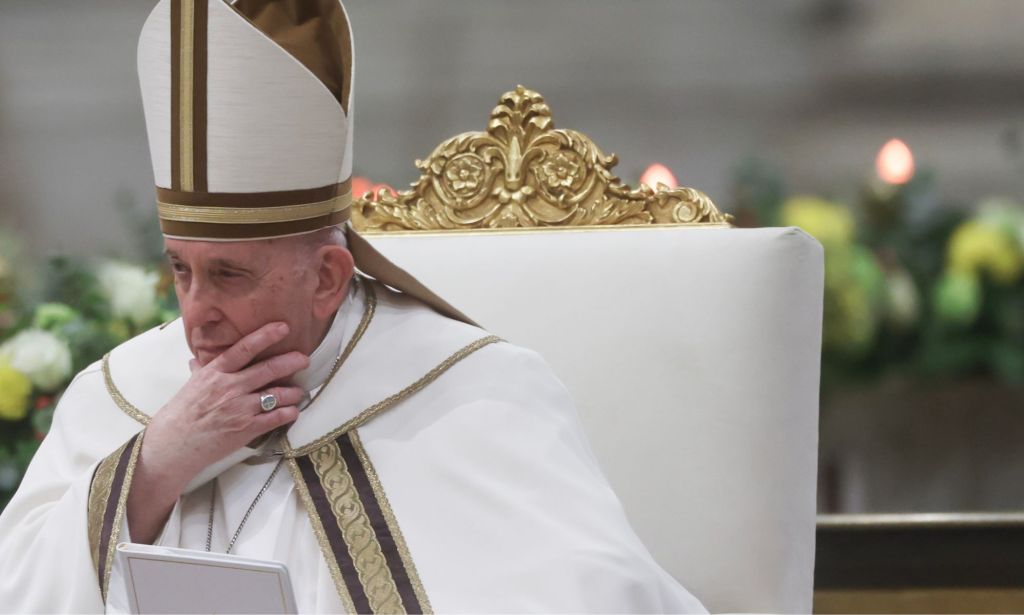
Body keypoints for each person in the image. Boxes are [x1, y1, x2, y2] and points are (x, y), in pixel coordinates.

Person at [0, 1, 706, 612]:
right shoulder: (121, 397)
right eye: (181, 270)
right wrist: (152, 470)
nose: (195, 314)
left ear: (329, 277)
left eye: (230, 274)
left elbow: (594, 596)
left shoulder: (473, 398)